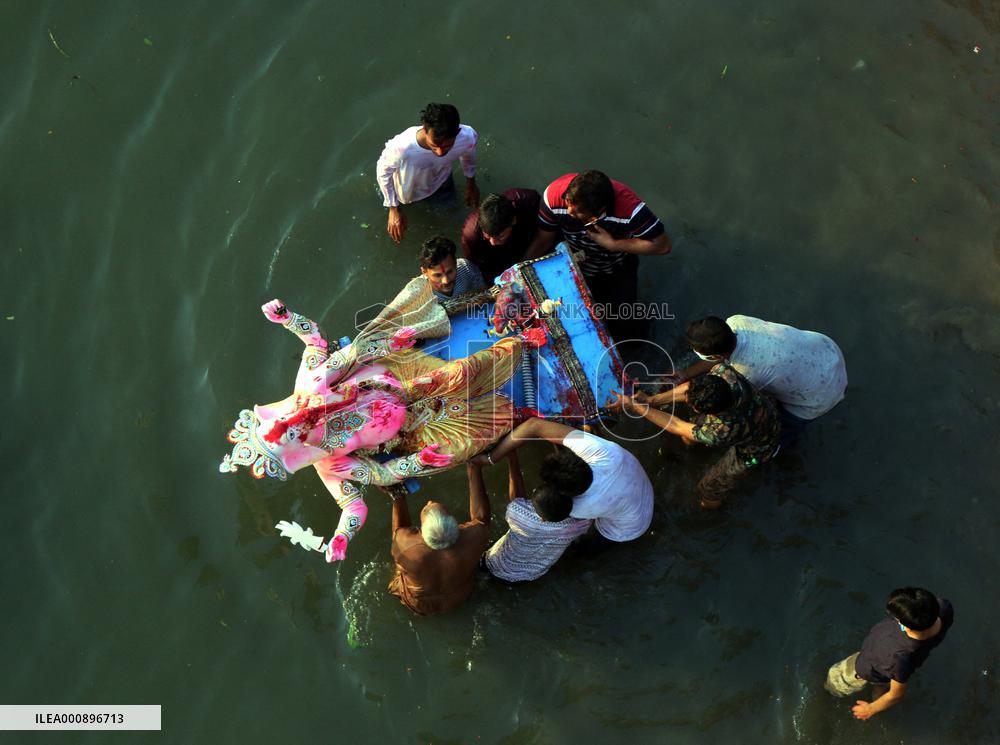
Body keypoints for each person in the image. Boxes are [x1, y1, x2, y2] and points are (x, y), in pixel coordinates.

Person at [524, 170, 670, 343]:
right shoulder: (554, 196)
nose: (569, 211)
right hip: (577, 264)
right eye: (568, 203)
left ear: (597, 212)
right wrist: (520, 270)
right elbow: (543, 240)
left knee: (625, 320)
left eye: (578, 212)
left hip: (617, 266)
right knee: (578, 314)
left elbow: (662, 245)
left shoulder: (630, 210)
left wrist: (613, 244)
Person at [609, 363, 781, 509]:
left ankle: (709, 510)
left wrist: (636, 408)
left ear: (702, 410)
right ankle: (693, 447)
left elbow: (676, 425)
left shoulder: (719, 431)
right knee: (692, 434)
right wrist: (651, 401)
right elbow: (688, 388)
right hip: (763, 409)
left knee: (710, 488)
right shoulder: (726, 374)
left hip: (758, 447)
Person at [671, 315, 848, 444]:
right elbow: (723, 356)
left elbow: (735, 398)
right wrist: (686, 373)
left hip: (819, 397)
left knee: (772, 434)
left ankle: (777, 449)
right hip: (827, 351)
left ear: (714, 355)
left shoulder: (747, 374)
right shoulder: (737, 322)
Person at [483, 417, 653, 546]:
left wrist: (491, 459)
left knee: (585, 546)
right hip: (641, 492)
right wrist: (491, 458)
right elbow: (535, 425)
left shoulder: (583, 507)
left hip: (628, 528)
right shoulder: (602, 451)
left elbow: (550, 513)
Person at [824, 587, 954, 721]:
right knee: (882, 683)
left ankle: (827, 694)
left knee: (833, 682)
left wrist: (870, 709)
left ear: (906, 626)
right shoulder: (944, 608)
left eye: (896, 618)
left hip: (867, 670)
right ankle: (880, 689)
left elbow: (897, 694)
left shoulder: (898, 655)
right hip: (886, 669)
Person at [388, 463, 492, 615]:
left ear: (421, 533)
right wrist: (474, 467)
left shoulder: (407, 546)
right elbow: (482, 517)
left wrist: (397, 492)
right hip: (458, 599)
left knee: (400, 565)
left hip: (418, 604)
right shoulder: (475, 538)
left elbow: (399, 530)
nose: (429, 501)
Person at [376, 103, 480, 243]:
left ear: (457, 132)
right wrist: (393, 208)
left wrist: (470, 183)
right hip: (408, 192)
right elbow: (383, 172)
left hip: (442, 183)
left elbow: (468, 155)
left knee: (449, 216)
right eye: (435, 145)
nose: (440, 152)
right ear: (425, 130)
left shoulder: (467, 137)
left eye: (447, 145)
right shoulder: (402, 148)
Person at [482, 451, 592, 582]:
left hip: (495, 565)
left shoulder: (517, 514)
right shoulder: (580, 525)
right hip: (531, 576)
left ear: (543, 518)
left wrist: (512, 459)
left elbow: (517, 499)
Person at [460, 188, 541, 283]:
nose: (492, 242)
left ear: (513, 221)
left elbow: (544, 232)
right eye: (487, 236)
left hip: (522, 242)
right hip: (492, 260)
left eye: (499, 237)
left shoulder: (528, 201)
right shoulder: (471, 235)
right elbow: (476, 268)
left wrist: (522, 265)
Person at [419, 235, 485, 302]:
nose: (446, 281)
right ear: (424, 272)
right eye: (438, 275)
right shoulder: (417, 294)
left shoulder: (467, 269)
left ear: (456, 263)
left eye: (450, 272)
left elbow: (483, 292)